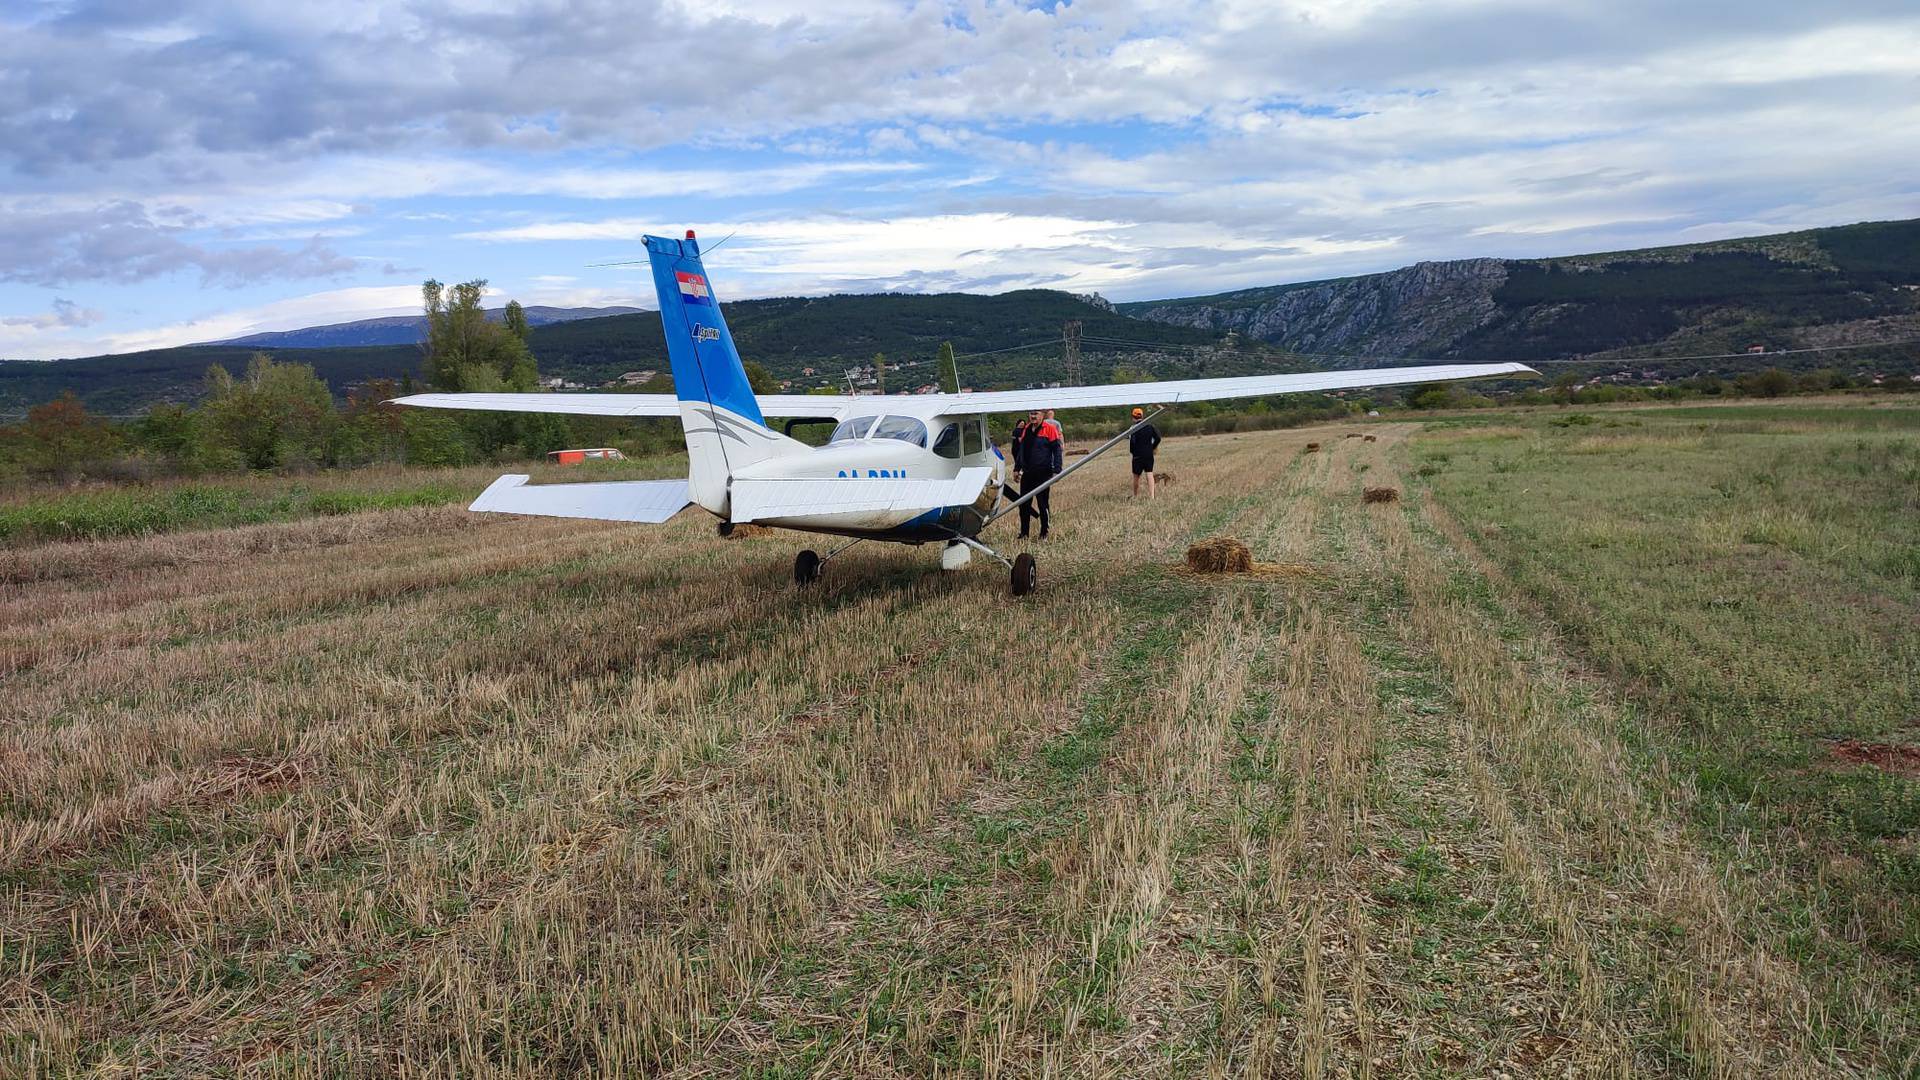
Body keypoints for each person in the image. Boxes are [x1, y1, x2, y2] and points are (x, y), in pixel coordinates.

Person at [1014, 408, 1062, 538]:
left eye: (1036, 413)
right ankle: (1024, 533)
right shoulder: (1027, 429)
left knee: (1042, 504)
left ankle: (1044, 532)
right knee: (1024, 504)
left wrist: (1057, 470)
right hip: (1028, 473)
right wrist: (1016, 469)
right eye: (1031, 413)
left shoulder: (1050, 429)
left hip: (1043, 473)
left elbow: (1057, 450)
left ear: (1043, 415)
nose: (1033, 416)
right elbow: (1021, 451)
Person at [1128, 407, 1161, 498]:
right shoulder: (1150, 426)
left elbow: (1132, 442)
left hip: (1137, 456)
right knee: (1149, 474)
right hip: (1148, 454)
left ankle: (1135, 496)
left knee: (1136, 477)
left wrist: (1133, 452)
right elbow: (1158, 438)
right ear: (1142, 416)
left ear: (1133, 417)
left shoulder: (1132, 428)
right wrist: (1152, 448)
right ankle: (1152, 497)